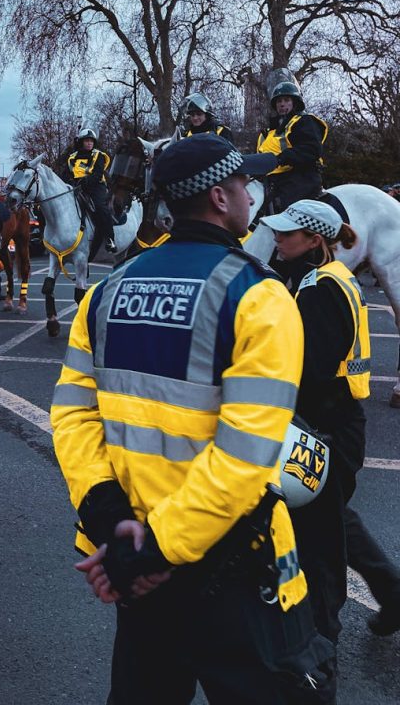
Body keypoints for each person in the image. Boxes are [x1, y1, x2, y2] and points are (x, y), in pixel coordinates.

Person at [51, 133, 333, 704]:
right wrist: (157, 549)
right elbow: (248, 453)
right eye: (243, 183)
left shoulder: (105, 293)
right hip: (235, 571)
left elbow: (73, 417)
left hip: (136, 567)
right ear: (221, 199)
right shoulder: (260, 296)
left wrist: (112, 523)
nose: (253, 194)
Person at [262, 200, 400, 645]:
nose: (278, 239)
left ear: (314, 240)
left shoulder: (318, 290)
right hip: (339, 422)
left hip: (324, 425)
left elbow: (313, 370)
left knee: (321, 544)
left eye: (287, 233)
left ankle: (321, 641)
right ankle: (391, 592)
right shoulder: (333, 277)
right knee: (331, 520)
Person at [257, 81, 327, 211]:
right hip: (272, 180)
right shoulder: (269, 132)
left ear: (295, 102)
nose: (282, 104)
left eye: (286, 100)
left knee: (289, 211)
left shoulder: (304, 121)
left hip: (300, 176)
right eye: (278, 101)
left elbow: (311, 149)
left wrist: (283, 158)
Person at [64, 127, 117, 253]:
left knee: (100, 207)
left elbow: (98, 173)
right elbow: (66, 174)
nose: (89, 143)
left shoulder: (98, 155)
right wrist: (70, 183)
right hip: (76, 187)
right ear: (81, 142)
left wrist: (85, 181)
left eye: (91, 141)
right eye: (87, 141)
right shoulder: (72, 157)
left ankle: (110, 239)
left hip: (95, 186)